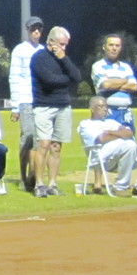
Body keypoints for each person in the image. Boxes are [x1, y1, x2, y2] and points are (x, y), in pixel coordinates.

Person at [29, 26, 82, 197]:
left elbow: (77, 77)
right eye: (61, 44)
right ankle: (39, 184)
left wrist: (64, 59)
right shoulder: (38, 58)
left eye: (66, 45)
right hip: (44, 106)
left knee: (56, 146)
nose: (64, 48)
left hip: (63, 106)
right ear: (51, 41)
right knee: (43, 144)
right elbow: (49, 80)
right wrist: (67, 80)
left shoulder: (64, 58)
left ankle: (52, 183)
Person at [77, 97, 137, 197]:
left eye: (106, 106)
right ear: (92, 109)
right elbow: (101, 139)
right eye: (101, 106)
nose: (105, 109)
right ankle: (120, 187)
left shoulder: (112, 122)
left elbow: (129, 133)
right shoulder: (86, 124)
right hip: (104, 159)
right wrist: (119, 134)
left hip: (128, 153)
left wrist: (110, 132)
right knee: (129, 144)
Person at [8, 17, 45, 191]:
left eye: (39, 29)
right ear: (27, 31)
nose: (36, 32)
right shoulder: (19, 50)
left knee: (40, 142)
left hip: (41, 101)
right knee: (27, 140)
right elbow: (14, 78)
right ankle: (23, 178)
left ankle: (35, 175)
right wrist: (15, 106)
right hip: (25, 101)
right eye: (33, 29)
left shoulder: (44, 50)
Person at [91, 34, 137, 134]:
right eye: (111, 45)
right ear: (104, 47)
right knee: (112, 143)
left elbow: (134, 86)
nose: (114, 48)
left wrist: (113, 83)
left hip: (126, 112)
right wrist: (124, 80)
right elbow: (106, 85)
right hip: (109, 112)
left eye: (117, 46)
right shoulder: (98, 66)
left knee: (130, 143)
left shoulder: (126, 67)